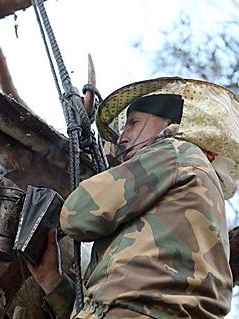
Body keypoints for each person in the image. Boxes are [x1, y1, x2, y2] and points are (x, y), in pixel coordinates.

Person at [28, 78, 238, 318]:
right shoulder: (189, 185)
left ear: (169, 124)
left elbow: (78, 215)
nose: (121, 138)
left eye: (133, 123)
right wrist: (52, 281)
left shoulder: (176, 151)